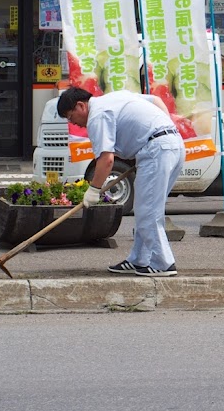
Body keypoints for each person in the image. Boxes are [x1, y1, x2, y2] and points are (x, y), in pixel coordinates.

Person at [57, 86, 184, 277]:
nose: (74, 123)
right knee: (149, 209)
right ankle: (139, 259)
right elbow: (156, 101)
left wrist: (93, 190)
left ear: (80, 106)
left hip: (156, 150)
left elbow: (106, 159)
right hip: (172, 144)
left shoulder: (97, 116)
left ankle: (163, 263)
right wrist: (165, 130)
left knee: (147, 210)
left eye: (70, 117)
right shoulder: (115, 97)